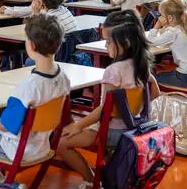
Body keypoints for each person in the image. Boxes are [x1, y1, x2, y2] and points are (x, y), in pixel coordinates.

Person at [0, 13, 71, 184]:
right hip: (43, 147)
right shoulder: (63, 78)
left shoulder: (28, 86)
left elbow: (5, 125)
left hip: (17, 150)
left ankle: (6, 183)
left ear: (31, 45)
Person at [57, 10, 160, 189]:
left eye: (108, 42)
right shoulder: (142, 64)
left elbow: (106, 110)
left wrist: (78, 126)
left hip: (112, 132)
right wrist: (132, 109)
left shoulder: (113, 71)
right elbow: (156, 93)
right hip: (135, 129)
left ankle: (91, 180)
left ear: (125, 42)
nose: (105, 46)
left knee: (60, 143)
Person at [149, 0, 187, 88]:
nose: (160, 17)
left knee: (150, 79)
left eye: (161, 15)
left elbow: (150, 41)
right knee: (165, 74)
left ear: (170, 18)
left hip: (186, 79)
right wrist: (166, 26)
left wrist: (157, 26)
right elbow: (166, 36)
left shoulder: (173, 32)